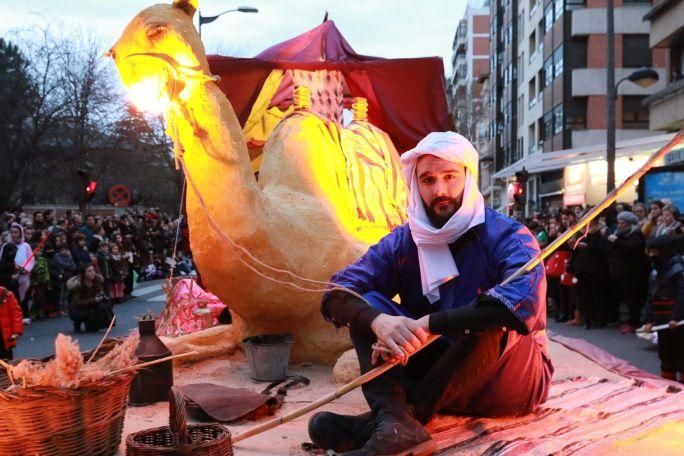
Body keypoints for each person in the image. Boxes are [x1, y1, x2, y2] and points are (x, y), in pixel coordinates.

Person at [308, 132, 553, 455]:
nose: (440, 190)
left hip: (506, 382)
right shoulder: (405, 241)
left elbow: (522, 305)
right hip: (437, 375)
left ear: (467, 177)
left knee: (494, 313)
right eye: (428, 180)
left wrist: (429, 324)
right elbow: (337, 293)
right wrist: (379, 321)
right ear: (416, 184)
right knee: (366, 306)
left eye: (450, 177)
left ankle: (399, 419)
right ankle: (395, 420)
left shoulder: (507, 235)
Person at [643, 235, 684, 382]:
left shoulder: (678, 270)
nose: (652, 255)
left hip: (676, 321)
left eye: (655, 252)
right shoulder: (655, 271)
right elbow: (650, 296)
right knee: (665, 353)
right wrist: (648, 320)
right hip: (661, 320)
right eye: (650, 252)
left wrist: (676, 317)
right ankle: (668, 381)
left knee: (681, 351)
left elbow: (682, 295)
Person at [607, 211, 649, 334]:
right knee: (627, 296)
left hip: (635, 272)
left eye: (623, 223)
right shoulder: (619, 233)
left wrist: (616, 242)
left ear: (629, 223)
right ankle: (629, 320)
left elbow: (632, 248)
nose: (620, 225)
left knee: (634, 298)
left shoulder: (636, 234)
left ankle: (634, 322)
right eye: (619, 222)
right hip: (623, 270)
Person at [0, 223, 35, 323]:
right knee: (11, 296)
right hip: (10, 275)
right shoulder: (6, 246)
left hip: (24, 275)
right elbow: (3, 258)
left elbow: (31, 259)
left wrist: (26, 269)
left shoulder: (26, 246)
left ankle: (24, 315)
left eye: (16, 232)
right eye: (12, 232)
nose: (14, 234)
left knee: (24, 295)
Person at [67, 264, 112, 333]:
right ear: (83, 273)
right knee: (81, 314)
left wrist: (101, 297)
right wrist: (94, 300)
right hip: (78, 308)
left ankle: (94, 323)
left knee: (104, 306)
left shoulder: (96, 280)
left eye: (93, 270)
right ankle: (77, 323)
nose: (92, 273)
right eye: (89, 271)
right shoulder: (78, 285)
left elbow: (100, 292)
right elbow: (76, 303)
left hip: (92, 305)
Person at [0, 286, 23, 360]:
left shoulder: (6, 294)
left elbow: (16, 313)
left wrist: (16, 331)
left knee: (6, 362)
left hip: (3, 339)